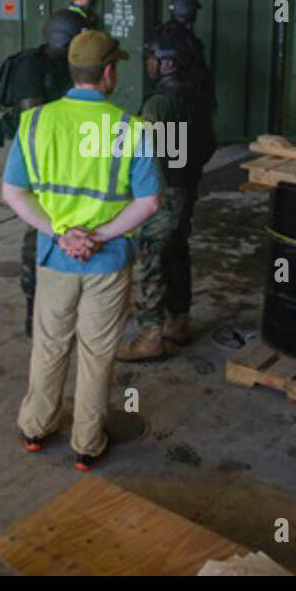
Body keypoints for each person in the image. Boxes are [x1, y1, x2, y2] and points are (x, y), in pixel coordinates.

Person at [0, 29, 162, 470]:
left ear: (72, 71)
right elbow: (149, 202)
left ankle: (36, 426)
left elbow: (13, 194)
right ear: (109, 73)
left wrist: (60, 233)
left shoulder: (34, 122)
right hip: (107, 263)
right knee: (96, 353)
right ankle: (87, 445)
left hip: (55, 258)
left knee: (50, 345)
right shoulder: (132, 128)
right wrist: (102, 236)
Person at [116, 29, 217, 362]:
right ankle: (178, 320)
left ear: (168, 63)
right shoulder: (198, 94)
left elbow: (144, 152)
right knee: (176, 250)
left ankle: (150, 336)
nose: (148, 64)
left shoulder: (159, 103)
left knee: (149, 256)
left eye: (152, 58)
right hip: (187, 185)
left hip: (164, 189)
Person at [0, 8, 87, 336]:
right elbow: (36, 124)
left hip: (63, 157)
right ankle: (35, 313)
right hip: (37, 160)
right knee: (40, 231)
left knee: (60, 223)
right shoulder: (32, 67)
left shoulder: (63, 64)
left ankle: (58, 304)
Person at [154, 0, 214, 109]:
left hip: (182, 95)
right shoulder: (176, 35)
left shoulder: (171, 32)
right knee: (176, 126)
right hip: (179, 96)